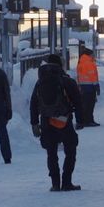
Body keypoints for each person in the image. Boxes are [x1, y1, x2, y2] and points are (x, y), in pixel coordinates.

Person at [29, 53, 85, 191]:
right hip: (64, 121)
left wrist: (34, 123)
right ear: (61, 65)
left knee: (51, 153)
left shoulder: (40, 82)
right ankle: (66, 182)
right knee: (70, 150)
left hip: (46, 121)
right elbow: (78, 102)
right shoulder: (67, 81)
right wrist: (80, 120)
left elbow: (33, 103)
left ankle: (55, 184)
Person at [75, 46, 101, 128]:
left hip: (83, 87)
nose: (93, 56)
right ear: (89, 55)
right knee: (90, 105)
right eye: (92, 54)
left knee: (85, 104)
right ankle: (88, 120)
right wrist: (96, 86)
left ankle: (85, 120)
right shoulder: (89, 63)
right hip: (90, 87)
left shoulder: (80, 62)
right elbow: (92, 75)